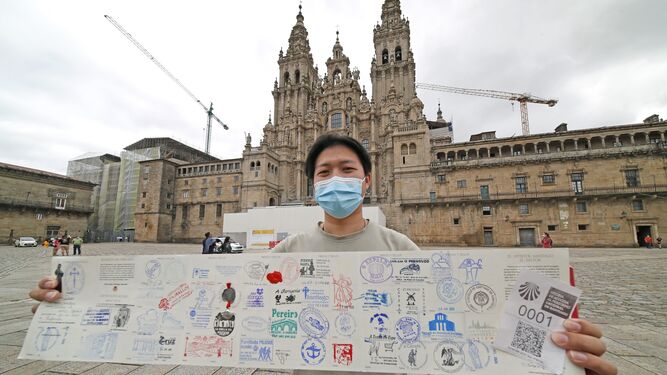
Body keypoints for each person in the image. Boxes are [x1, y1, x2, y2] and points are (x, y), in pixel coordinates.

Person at [29, 134, 616, 375]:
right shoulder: (282, 252)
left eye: (348, 170)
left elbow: (468, 326)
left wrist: (556, 351)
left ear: (367, 179)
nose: (336, 179)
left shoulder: (405, 250)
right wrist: (76, 304)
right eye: (325, 171)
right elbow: (197, 297)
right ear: (311, 183)